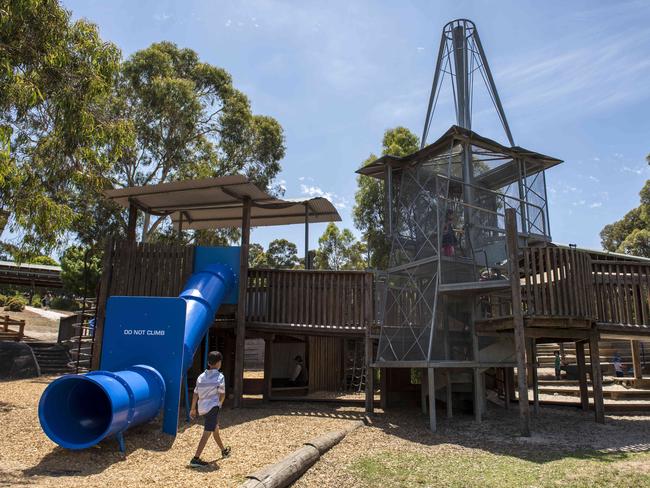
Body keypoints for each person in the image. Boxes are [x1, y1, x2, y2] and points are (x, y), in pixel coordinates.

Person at [189, 351, 231, 468]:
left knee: (215, 429)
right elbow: (222, 393)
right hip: (212, 407)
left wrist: (193, 409)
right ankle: (195, 459)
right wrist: (219, 405)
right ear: (219, 363)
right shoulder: (220, 377)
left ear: (208, 363)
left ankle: (223, 451)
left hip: (202, 408)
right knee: (207, 433)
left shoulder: (201, 377)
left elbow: (195, 393)